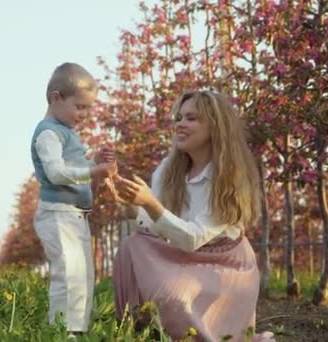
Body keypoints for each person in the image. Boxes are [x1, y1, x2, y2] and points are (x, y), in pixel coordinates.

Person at [109, 90, 274, 341]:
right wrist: (132, 205)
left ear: (215, 127)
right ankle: (138, 331)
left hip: (224, 263)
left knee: (174, 295)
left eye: (191, 118)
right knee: (131, 246)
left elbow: (192, 238)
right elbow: (155, 226)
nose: (180, 124)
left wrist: (150, 204)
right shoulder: (168, 170)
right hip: (179, 255)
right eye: (180, 117)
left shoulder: (230, 176)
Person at [31, 62, 116, 334]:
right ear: (56, 98)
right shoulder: (48, 133)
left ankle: (76, 331)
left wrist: (95, 161)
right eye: (80, 107)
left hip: (75, 214)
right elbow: (56, 173)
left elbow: (73, 165)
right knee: (68, 276)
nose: (85, 114)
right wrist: (93, 171)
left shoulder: (67, 132)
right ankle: (60, 332)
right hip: (57, 214)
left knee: (83, 276)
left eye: (88, 108)